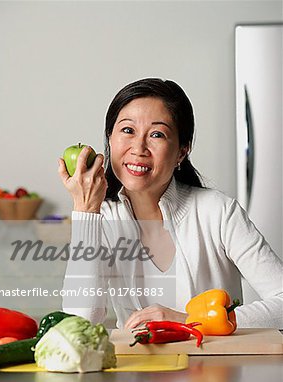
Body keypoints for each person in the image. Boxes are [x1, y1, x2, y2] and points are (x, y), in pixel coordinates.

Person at [58, 78, 283, 329]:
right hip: (136, 367)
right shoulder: (102, 219)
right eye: (127, 130)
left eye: (157, 134)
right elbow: (80, 323)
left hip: (216, 367)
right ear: (110, 139)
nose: (138, 148)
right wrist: (86, 212)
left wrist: (193, 322)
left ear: (181, 151)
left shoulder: (218, 213)